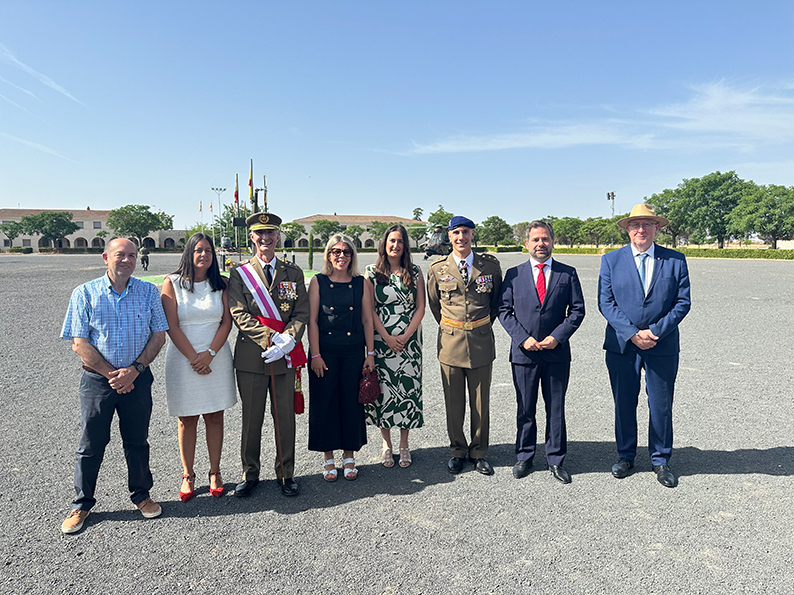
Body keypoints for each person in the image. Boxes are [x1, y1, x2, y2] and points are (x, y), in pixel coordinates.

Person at [59, 238, 168, 534]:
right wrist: (113, 375)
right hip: (98, 381)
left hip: (138, 378)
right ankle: (82, 504)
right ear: (105, 257)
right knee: (91, 444)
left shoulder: (148, 292)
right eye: (120, 254)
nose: (127, 260)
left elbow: (159, 336)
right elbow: (79, 343)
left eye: (132, 255)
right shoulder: (84, 293)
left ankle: (141, 495)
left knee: (137, 440)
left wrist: (134, 371)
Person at [598, 204, 691, 488]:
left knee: (661, 405)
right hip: (622, 346)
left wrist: (655, 332)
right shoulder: (611, 260)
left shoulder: (675, 260)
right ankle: (626, 455)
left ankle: (661, 459)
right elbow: (606, 302)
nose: (641, 230)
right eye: (635, 225)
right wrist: (631, 333)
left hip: (661, 345)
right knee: (624, 402)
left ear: (657, 228)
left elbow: (682, 302)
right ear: (627, 229)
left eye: (647, 224)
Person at [228, 212, 309, 497]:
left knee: (285, 418)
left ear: (278, 236)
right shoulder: (239, 274)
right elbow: (238, 312)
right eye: (260, 233)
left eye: (271, 233)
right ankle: (250, 474)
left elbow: (301, 311)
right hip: (253, 358)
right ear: (252, 237)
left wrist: (288, 339)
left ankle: (286, 474)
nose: (265, 238)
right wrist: (271, 337)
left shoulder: (294, 273)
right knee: (251, 420)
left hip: (285, 356)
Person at [498, 221, 585, 484]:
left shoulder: (567, 273)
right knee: (525, 407)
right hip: (524, 354)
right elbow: (504, 311)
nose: (540, 244)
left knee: (555, 408)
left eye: (545, 239)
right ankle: (524, 455)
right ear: (527, 243)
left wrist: (557, 337)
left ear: (552, 242)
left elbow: (577, 311)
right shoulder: (514, 274)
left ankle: (556, 459)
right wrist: (522, 339)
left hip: (556, 353)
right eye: (535, 239)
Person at [161, 233, 237, 501]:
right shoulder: (172, 283)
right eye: (198, 250)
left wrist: (210, 353)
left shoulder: (222, 284)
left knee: (215, 416)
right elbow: (172, 325)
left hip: (216, 356)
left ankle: (215, 471)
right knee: (187, 419)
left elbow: (226, 322)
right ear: (189, 253)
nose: (203, 255)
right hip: (184, 359)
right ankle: (188, 473)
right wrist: (195, 357)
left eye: (208, 250)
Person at [426, 216, 502, 476]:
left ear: (472, 235)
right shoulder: (438, 268)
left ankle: (479, 452)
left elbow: (495, 302)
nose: (461, 237)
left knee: (481, 403)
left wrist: (480, 324)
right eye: (456, 232)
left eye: (466, 232)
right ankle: (457, 450)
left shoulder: (489, 266)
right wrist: (453, 326)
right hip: (450, 343)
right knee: (453, 402)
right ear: (449, 236)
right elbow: (435, 305)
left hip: (480, 341)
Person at [308, 234, 375, 481]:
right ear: (328, 255)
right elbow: (312, 320)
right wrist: (315, 354)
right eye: (336, 251)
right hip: (324, 352)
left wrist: (370, 354)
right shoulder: (318, 282)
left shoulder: (361, 283)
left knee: (350, 402)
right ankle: (328, 457)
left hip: (352, 350)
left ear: (352, 256)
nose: (341, 256)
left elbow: (368, 320)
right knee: (324, 402)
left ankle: (349, 455)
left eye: (346, 252)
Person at [364, 224, 425, 468]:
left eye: (400, 241)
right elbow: (369, 310)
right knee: (385, 394)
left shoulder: (416, 271)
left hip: (410, 345)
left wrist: (406, 335)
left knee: (407, 390)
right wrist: (387, 337)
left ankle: (404, 443)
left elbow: (420, 308)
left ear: (405, 245)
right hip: (382, 342)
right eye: (391, 240)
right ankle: (386, 444)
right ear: (384, 243)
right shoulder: (371, 272)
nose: (395, 245)